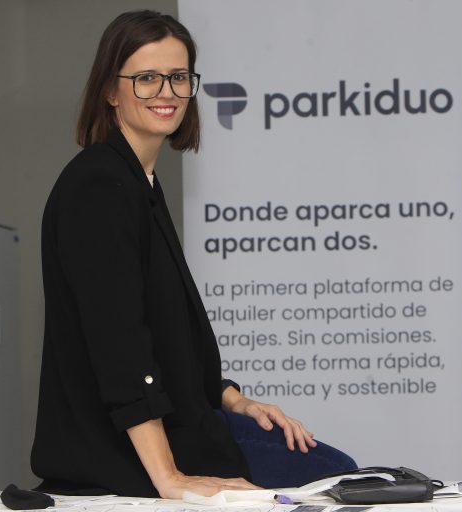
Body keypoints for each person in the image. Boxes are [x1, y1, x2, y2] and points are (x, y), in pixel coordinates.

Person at [31, 10, 355, 499]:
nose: (166, 92)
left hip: (187, 420)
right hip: (126, 452)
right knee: (340, 480)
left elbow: (171, 338)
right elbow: (120, 346)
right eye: (146, 78)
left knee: (344, 475)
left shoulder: (138, 182)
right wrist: (169, 478)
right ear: (111, 90)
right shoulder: (99, 187)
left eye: (178, 77)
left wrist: (235, 400)